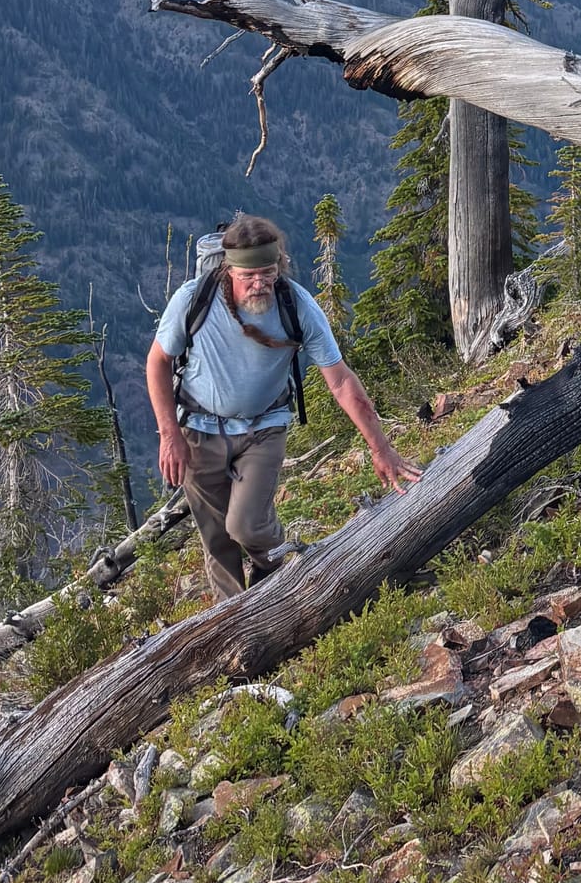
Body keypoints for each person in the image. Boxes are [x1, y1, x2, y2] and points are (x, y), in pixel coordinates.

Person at [146, 212, 420, 598]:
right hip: (197, 430)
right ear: (228, 271)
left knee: (245, 526)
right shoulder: (193, 300)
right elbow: (157, 362)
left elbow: (340, 381)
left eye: (268, 273)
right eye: (248, 276)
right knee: (216, 541)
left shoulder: (297, 306)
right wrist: (169, 433)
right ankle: (233, 619)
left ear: (279, 266)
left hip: (264, 428)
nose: (260, 284)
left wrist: (382, 449)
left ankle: (273, 569)